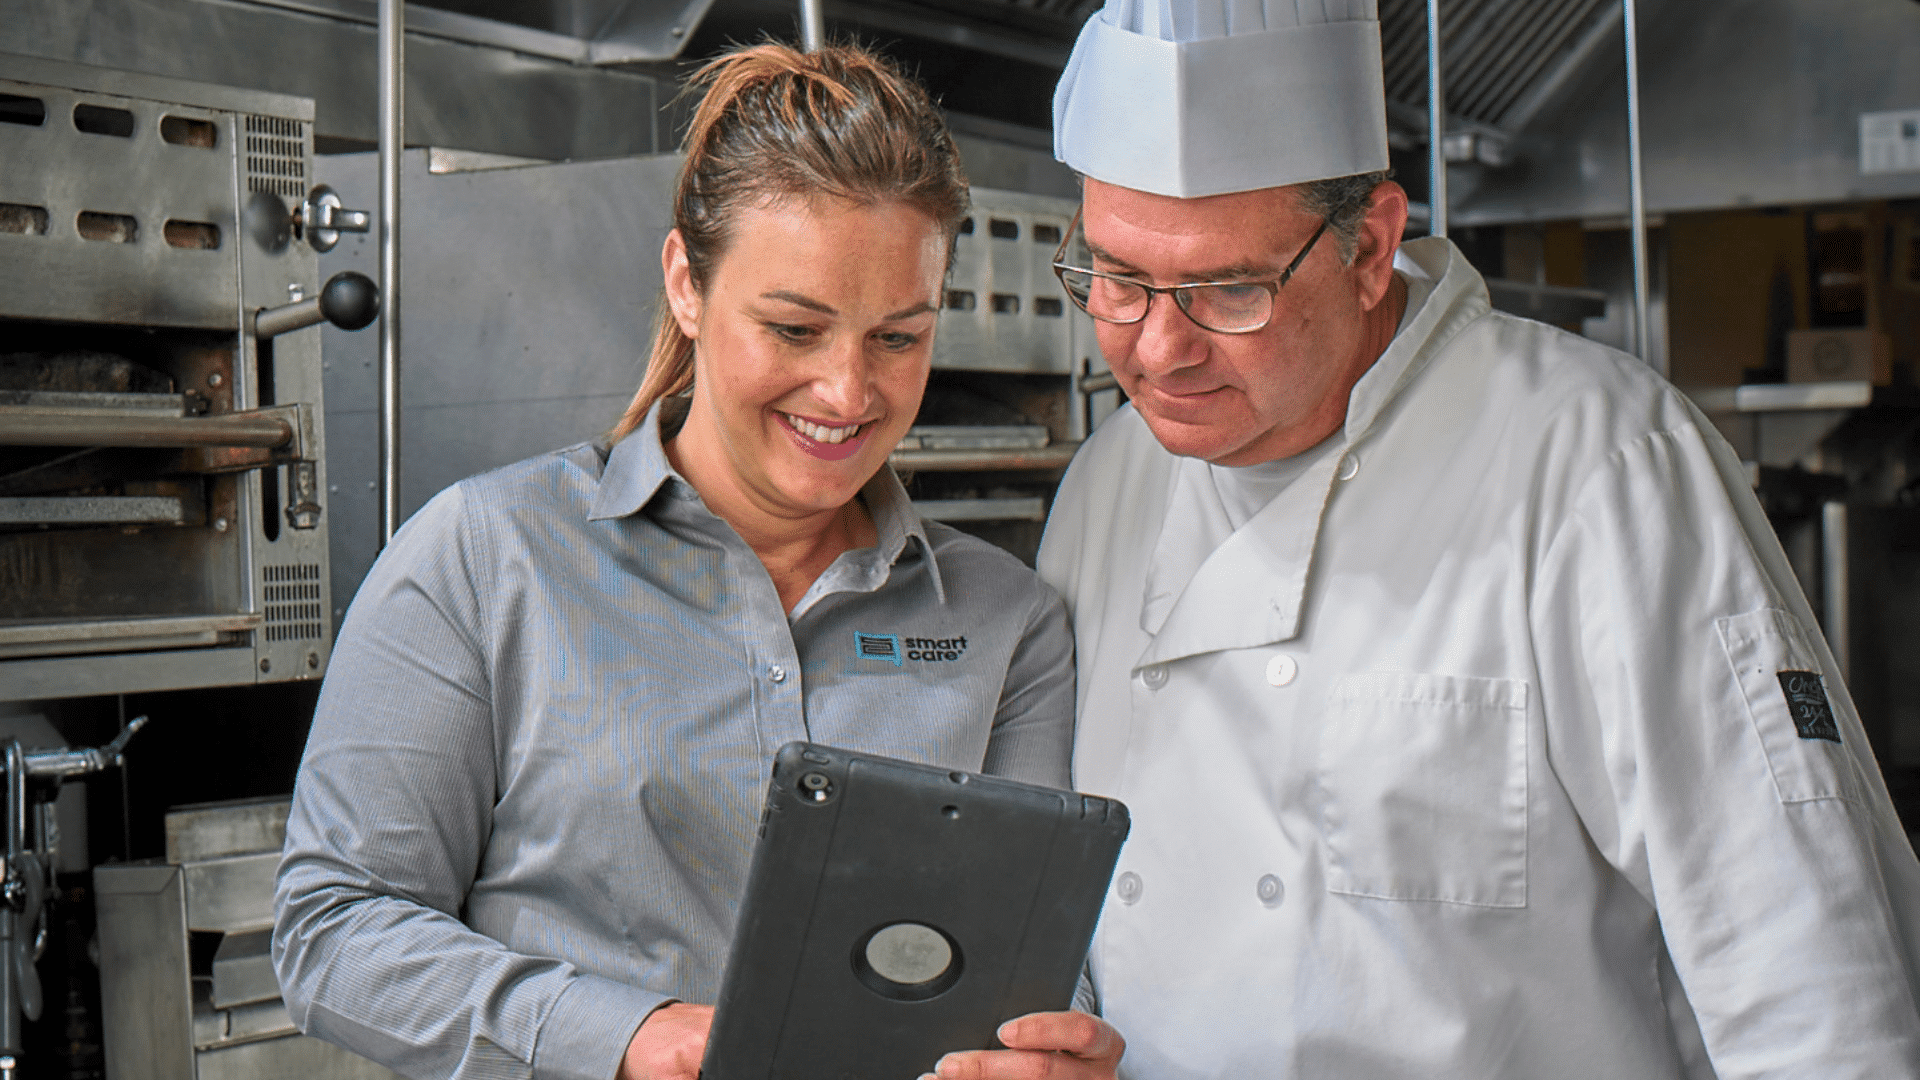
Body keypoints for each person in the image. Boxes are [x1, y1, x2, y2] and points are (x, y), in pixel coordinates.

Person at [1023, 1, 1920, 1078]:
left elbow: (1807, 978)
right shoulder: (1104, 485)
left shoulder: (1597, 464)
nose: (1160, 350)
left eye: (1229, 290)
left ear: (1372, 247)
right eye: (1116, 278)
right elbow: (1072, 911)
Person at [274, 42, 1121, 1080]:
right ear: (687, 282)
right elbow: (335, 933)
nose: (848, 391)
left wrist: (1049, 1050)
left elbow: (1038, 959)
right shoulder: (485, 559)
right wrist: (630, 1034)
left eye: (897, 339)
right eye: (795, 328)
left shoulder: (1009, 621)